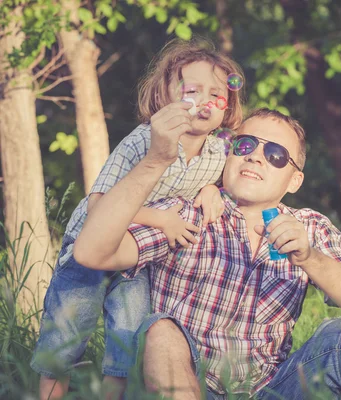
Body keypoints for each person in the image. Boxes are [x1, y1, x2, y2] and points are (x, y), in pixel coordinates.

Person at [73, 108, 341, 399]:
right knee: (160, 331)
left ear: (294, 180)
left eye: (276, 154)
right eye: (246, 144)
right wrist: (155, 161)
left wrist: (309, 257)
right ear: (229, 154)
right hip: (190, 382)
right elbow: (92, 254)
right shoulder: (187, 212)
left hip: (273, 388)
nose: (255, 156)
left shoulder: (310, 227)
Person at [30, 38, 244, 400]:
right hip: (91, 244)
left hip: (138, 257)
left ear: (227, 105)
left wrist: (212, 189)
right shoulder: (142, 141)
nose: (205, 101)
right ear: (165, 97)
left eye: (216, 94)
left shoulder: (218, 152)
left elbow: (222, 184)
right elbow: (98, 203)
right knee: (67, 331)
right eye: (192, 90)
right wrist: (162, 220)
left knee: (127, 339)